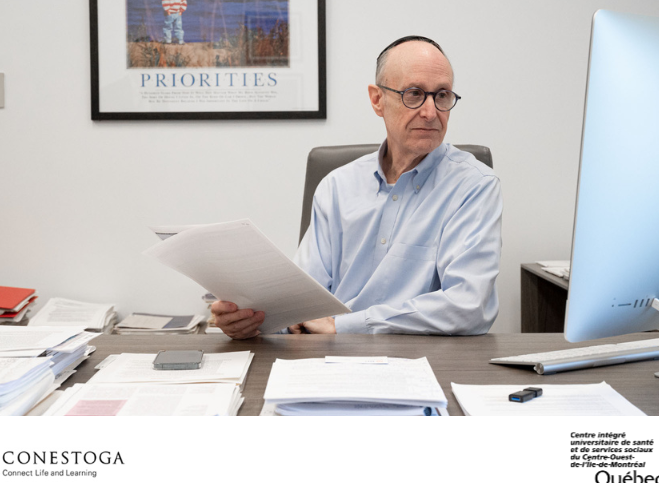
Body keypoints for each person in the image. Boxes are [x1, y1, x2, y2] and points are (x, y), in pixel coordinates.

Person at [213, 36, 502, 339]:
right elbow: (302, 301)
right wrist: (251, 320)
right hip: (327, 354)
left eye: (442, 95)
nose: (431, 113)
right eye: (414, 94)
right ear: (377, 100)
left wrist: (343, 326)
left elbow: (468, 306)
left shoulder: (474, 186)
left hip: (423, 357)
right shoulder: (337, 187)